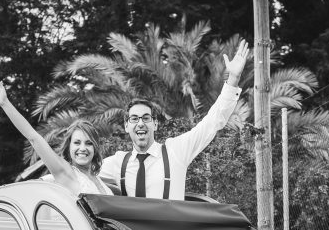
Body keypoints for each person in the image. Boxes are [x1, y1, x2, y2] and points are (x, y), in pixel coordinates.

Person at [99, 39, 250, 200]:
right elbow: (81, 173)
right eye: (134, 119)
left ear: (155, 123)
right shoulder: (117, 163)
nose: (141, 123)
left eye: (146, 118)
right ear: (126, 125)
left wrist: (233, 78)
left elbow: (212, 123)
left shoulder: (175, 151)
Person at [0, 77, 112, 197]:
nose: (82, 148)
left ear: (95, 148)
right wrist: (5, 103)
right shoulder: (65, 172)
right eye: (77, 142)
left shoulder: (99, 180)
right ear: (69, 147)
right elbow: (33, 137)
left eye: (88, 143)